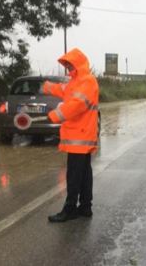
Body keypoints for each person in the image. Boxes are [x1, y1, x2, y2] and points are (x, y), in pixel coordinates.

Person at [42, 48, 100, 223]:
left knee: (74, 175)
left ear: (78, 63)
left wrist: (54, 115)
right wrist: (46, 86)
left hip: (79, 136)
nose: (67, 68)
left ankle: (70, 209)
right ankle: (85, 207)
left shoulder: (87, 81)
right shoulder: (77, 81)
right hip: (79, 136)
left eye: (69, 64)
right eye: (66, 65)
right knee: (83, 174)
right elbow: (63, 89)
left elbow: (76, 105)